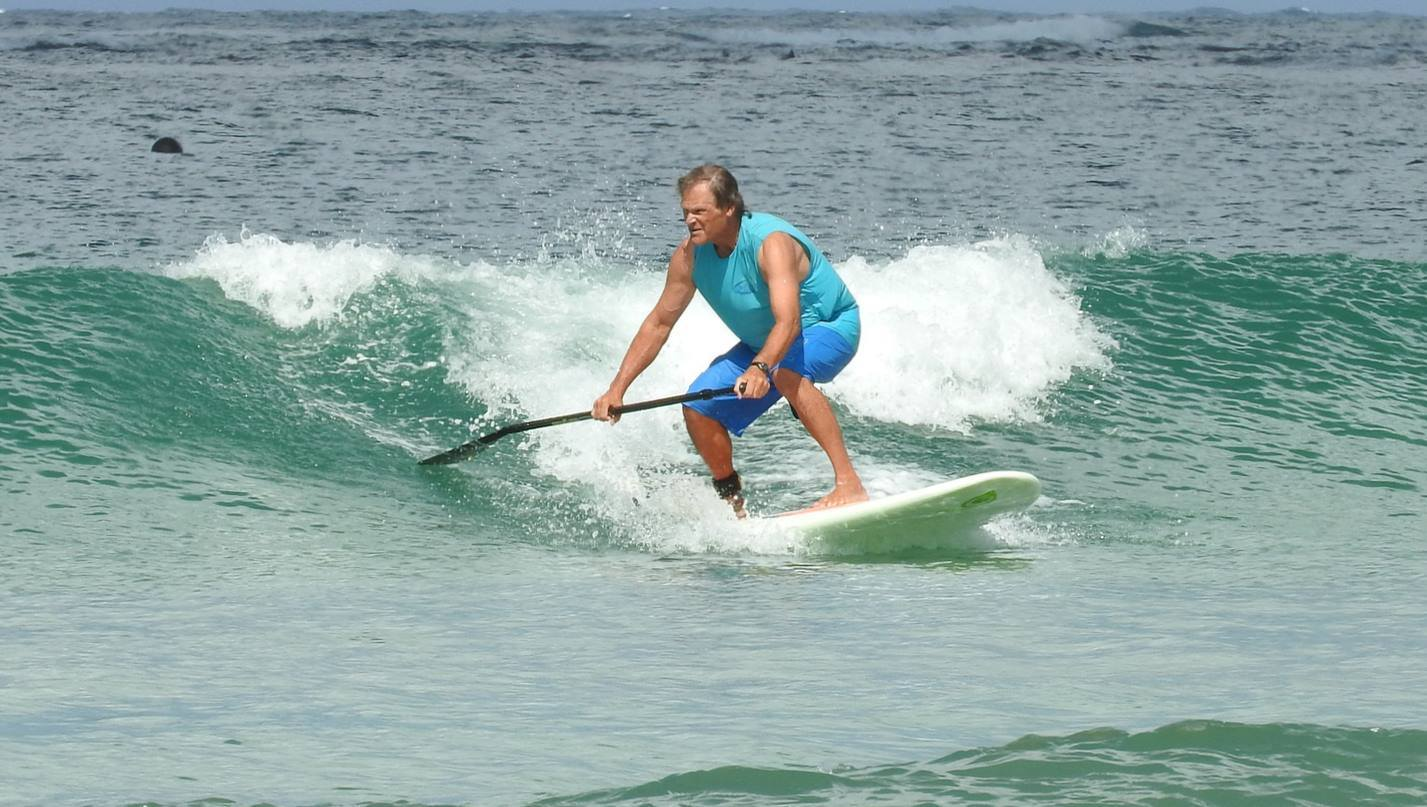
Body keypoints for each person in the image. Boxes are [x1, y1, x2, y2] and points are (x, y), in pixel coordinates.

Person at [592, 164, 868, 515]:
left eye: (700, 212)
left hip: (828, 327)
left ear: (729, 208)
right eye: (686, 212)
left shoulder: (771, 244)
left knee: (784, 373)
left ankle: (849, 485)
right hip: (764, 345)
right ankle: (733, 504)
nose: (691, 220)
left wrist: (760, 368)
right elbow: (659, 323)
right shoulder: (690, 257)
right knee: (698, 407)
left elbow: (789, 322)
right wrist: (618, 388)